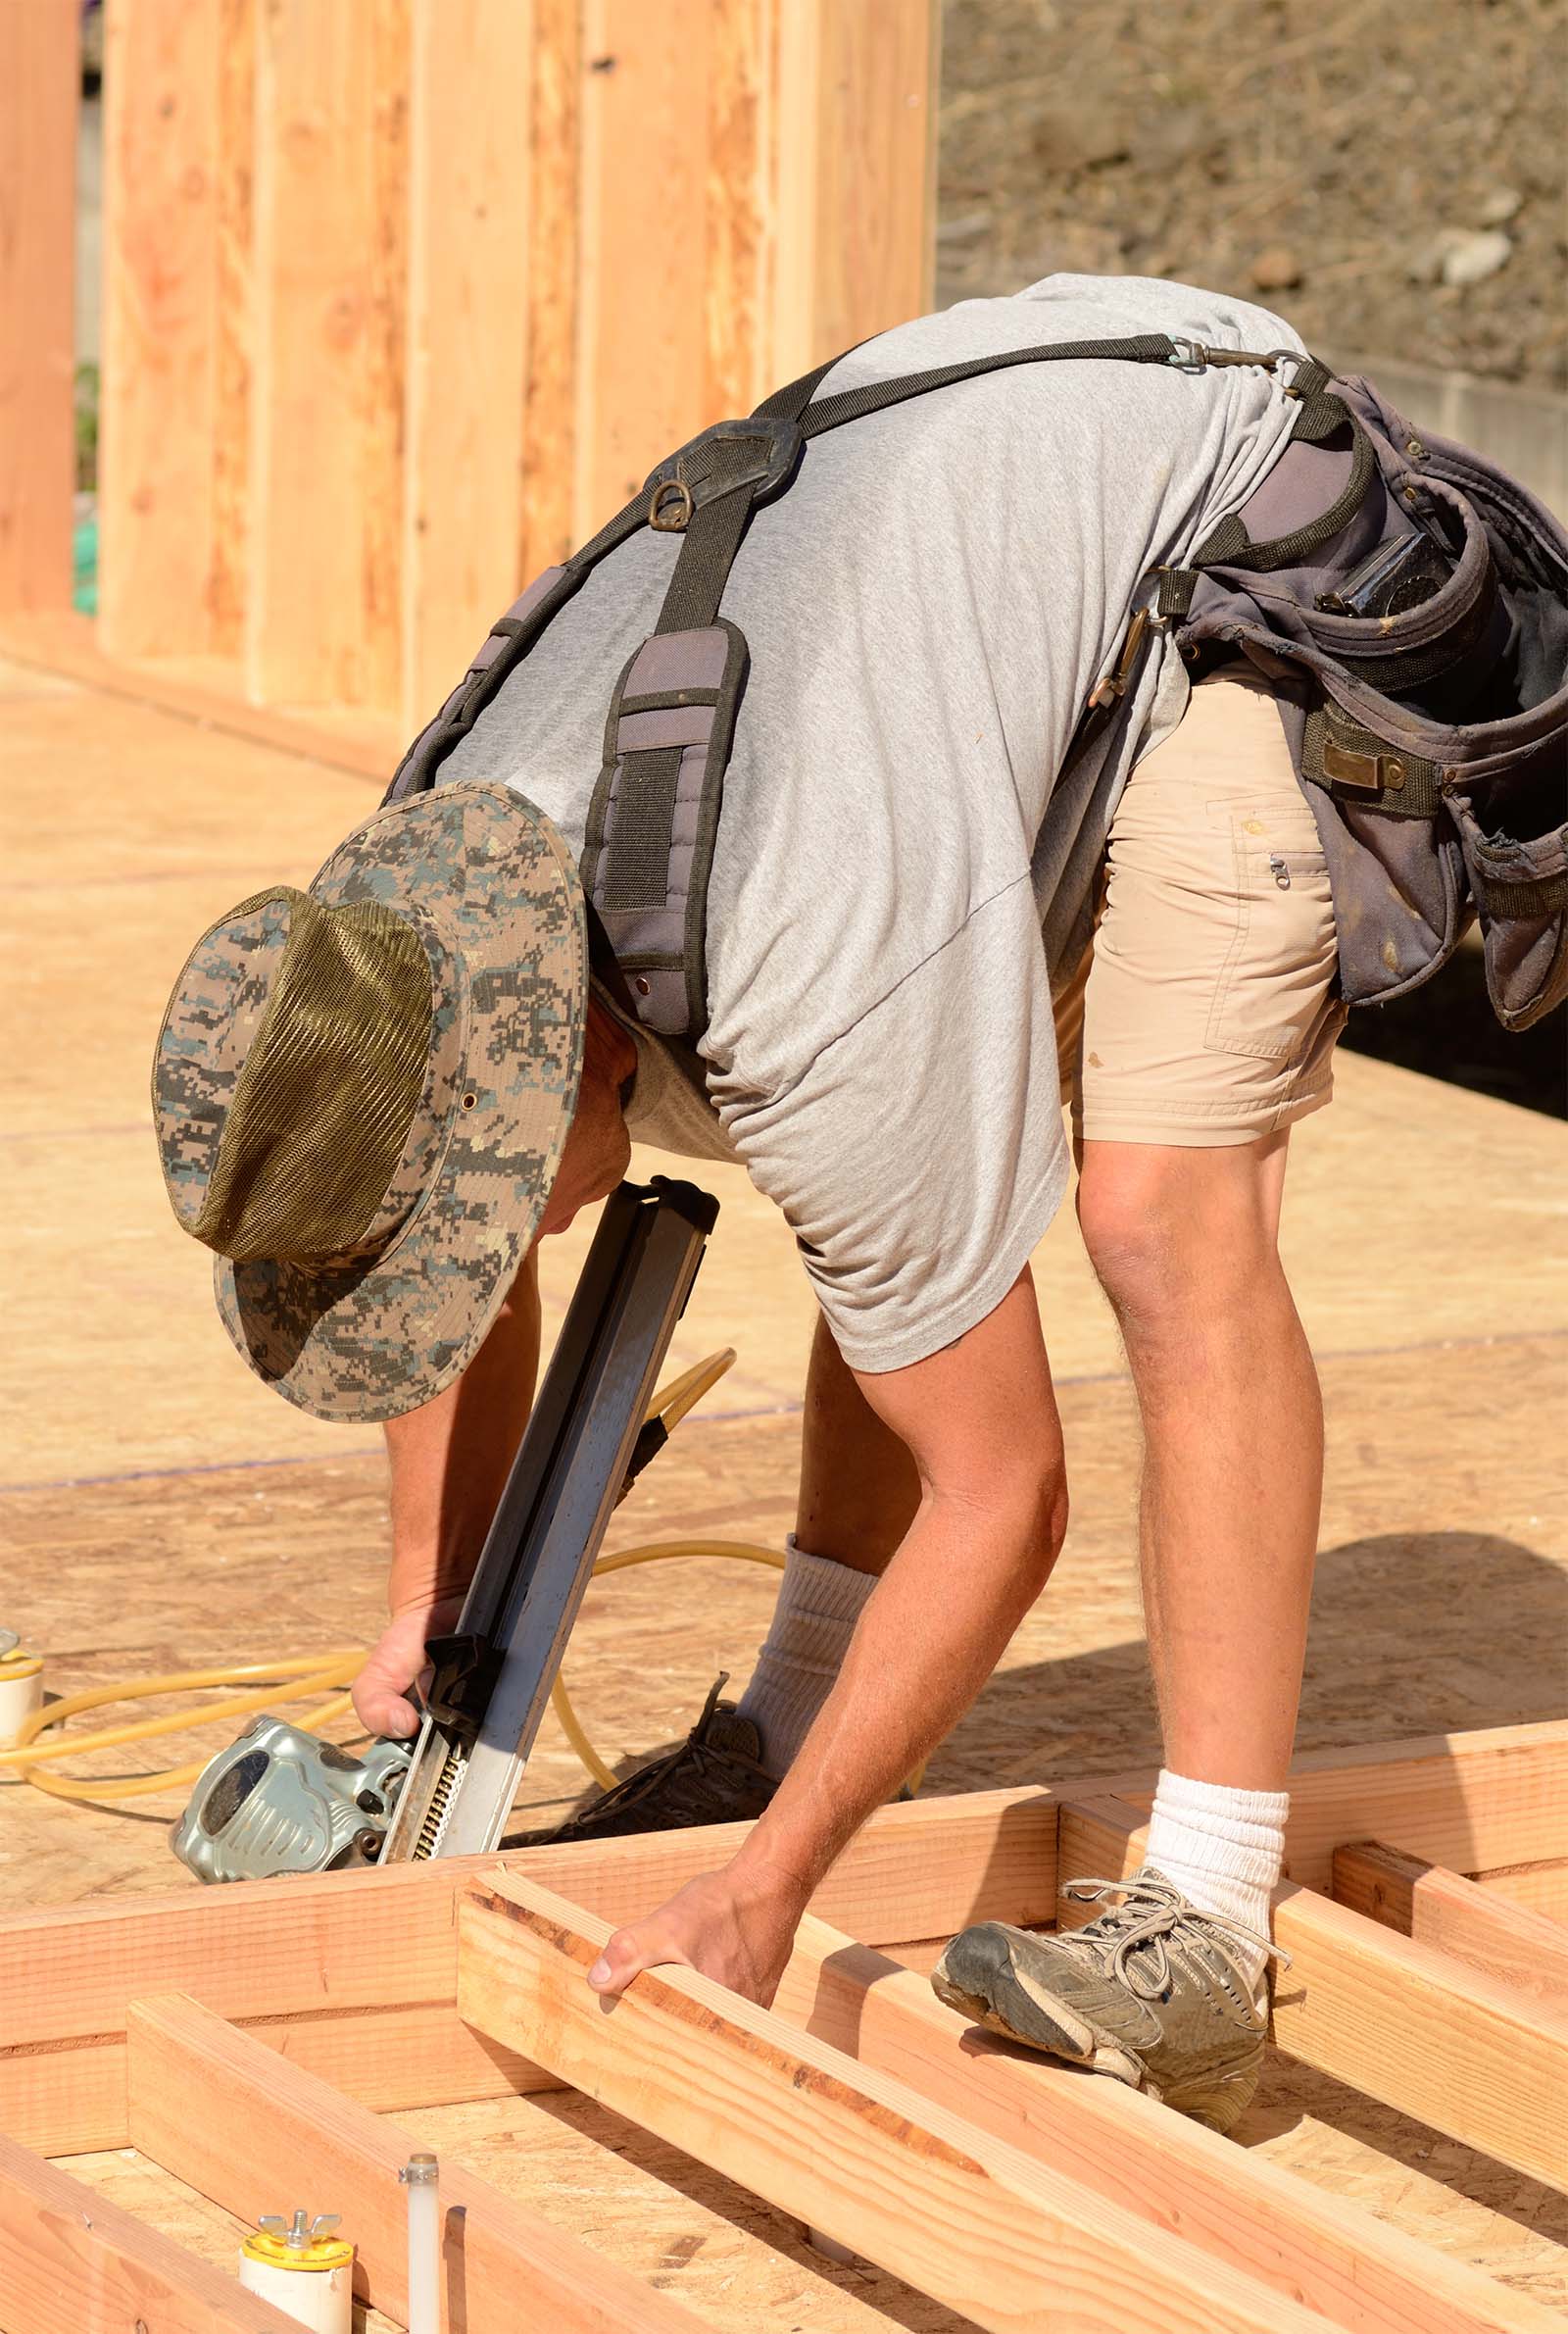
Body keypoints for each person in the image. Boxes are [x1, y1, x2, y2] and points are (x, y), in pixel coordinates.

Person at [155, 275, 1349, 2136]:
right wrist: (429, 1604)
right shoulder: (401, 919)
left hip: (1218, 534)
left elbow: (1004, 1492)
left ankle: (1207, 1910)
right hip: (931, 639)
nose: (505, 1250)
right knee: (893, 1221)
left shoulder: (807, 965)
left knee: (1153, 1214)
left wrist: (769, 1882)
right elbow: (451, 1273)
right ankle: (791, 1720)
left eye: (484, 1219)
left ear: (567, 1063)